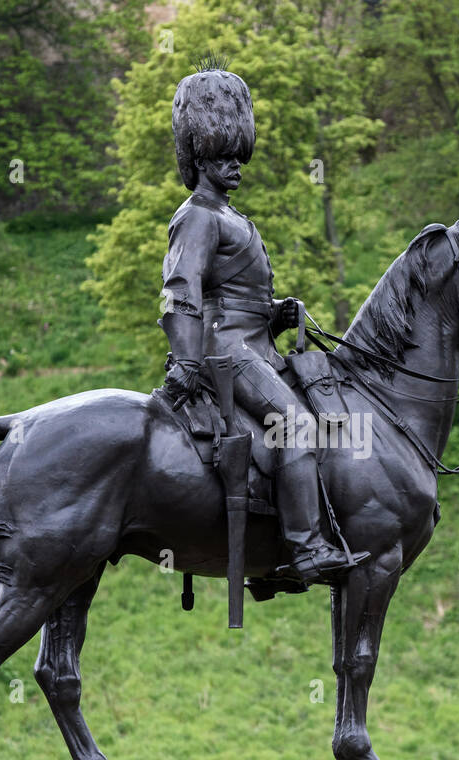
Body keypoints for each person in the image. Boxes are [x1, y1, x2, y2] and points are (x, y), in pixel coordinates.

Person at [159, 63, 367, 585]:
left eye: (239, 155)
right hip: (227, 353)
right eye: (225, 156)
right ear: (200, 157)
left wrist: (277, 314)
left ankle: (274, 546)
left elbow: (236, 298)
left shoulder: (233, 217)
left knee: (331, 415)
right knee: (293, 425)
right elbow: (182, 293)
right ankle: (306, 550)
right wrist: (185, 361)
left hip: (257, 345)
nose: (236, 166)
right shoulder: (198, 216)